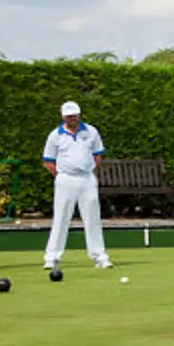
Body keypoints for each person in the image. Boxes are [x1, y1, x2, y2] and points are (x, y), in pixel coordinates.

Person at [42, 101, 111, 269]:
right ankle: (52, 257)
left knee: (93, 218)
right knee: (60, 218)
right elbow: (48, 161)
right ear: (63, 116)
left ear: (79, 115)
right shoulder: (55, 135)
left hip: (87, 178)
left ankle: (99, 256)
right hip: (65, 179)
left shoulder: (91, 132)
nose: (72, 118)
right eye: (69, 116)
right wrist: (61, 175)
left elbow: (98, 155)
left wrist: (90, 169)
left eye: (75, 115)